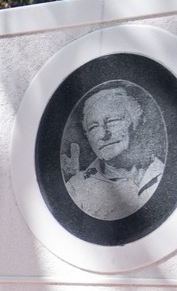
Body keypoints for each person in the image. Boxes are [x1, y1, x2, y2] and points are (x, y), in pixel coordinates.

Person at [63, 86, 164, 221]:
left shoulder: (165, 172)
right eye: (93, 127)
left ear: (137, 122)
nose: (103, 135)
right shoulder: (77, 188)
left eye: (112, 121)